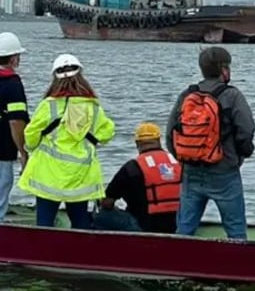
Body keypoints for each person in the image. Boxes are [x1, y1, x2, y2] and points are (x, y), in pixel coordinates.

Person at [167, 46, 255, 240]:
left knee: (185, 228)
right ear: (224, 69)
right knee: (235, 229)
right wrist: (241, 155)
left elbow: (170, 133)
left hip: (191, 171)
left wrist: (185, 156)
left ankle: (178, 262)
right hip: (224, 171)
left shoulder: (187, 95)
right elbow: (246, 129)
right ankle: (240, 264)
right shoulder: (232, 95)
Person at [19, 53, 115, 228]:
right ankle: (82, 254)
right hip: (81, 175)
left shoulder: (49, 105)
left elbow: (31, 134)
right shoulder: (93, 107)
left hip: (47, 175)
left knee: (44, 223)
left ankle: (43, 254)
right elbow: (107, 133)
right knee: (80, 223)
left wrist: (30, 148)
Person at [95, 122, 182, 233]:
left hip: (144, 226)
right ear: (159, 141)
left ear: (137, 143)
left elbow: (107, 202)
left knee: (102, 215)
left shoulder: (131, 167)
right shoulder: (177, 163)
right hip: (178, 224)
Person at [0, 31, 29, 220]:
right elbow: (16, 121)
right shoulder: (12, 85)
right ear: (14, 58)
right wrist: (23, 152)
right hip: (2, 151)